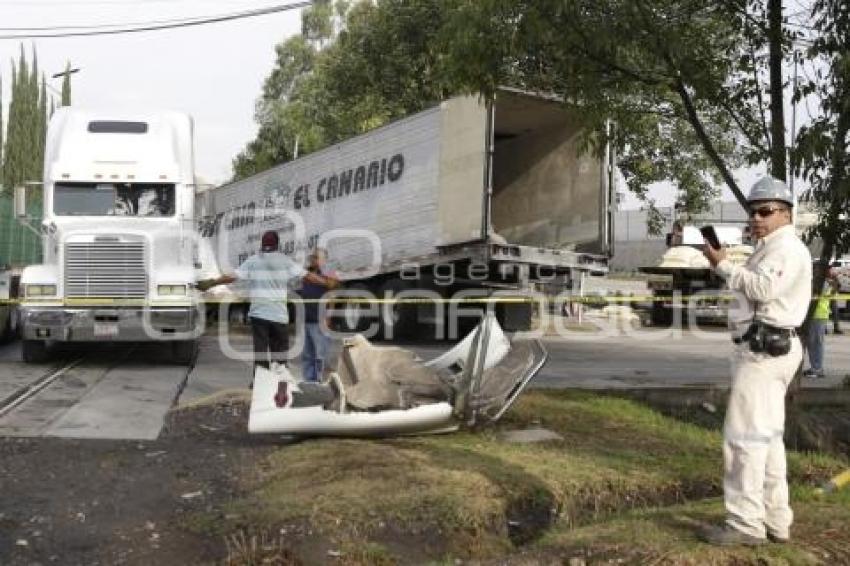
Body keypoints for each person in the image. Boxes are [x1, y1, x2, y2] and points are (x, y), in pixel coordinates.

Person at [700, 176, 812, 546]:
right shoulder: (769, 247)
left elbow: (763, 288)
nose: (757, 218)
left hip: (765, 353)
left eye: (766, 211)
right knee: (767, 439)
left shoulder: (786, 248)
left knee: (744, 440)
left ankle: (746, 526)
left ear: (786, 214)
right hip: (767, 349)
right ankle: (777, 521)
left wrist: (723, 266)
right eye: (753, 211)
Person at [197, 230, 335, 381]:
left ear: (262, 244)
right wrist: (325, 282)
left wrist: (211, 282)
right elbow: (307, 276)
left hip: (259, 315)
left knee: (261, 352)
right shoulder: (285, 261)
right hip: (278, 316)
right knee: (279, 354)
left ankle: (260, 384)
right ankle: (280, 386)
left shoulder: (253, 260)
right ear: (277, 245)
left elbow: (232, 277)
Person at [298, 248, 339, 382]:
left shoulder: (329, 274)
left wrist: (329, 317)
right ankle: (309, 382)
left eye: (316, 257)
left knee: (321, 355)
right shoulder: (307, 273)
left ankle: (323, 381)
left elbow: (332, 297)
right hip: (307, 319)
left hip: (320, 321)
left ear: (323, 259)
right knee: (307, 355)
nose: (312, 259)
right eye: (312, 257)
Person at [805, 269, 835, 378]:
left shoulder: (824, 283)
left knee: (816, 343)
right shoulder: (826, 282)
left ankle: (817, 369)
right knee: (812, 343)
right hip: (816, 315)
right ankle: (815, 367)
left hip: (818, 315)